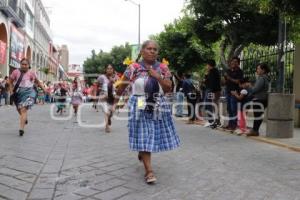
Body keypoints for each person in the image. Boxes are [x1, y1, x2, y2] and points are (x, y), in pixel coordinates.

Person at [114, 40, 180, 184]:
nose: (152, 51)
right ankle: (149, 171)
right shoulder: (134, 67)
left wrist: (157, 76)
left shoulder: (163, 68)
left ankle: (142, 152)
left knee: (151, 133)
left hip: (158, 102)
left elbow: (168, 87)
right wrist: (115, 102)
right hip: (140, 101)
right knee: (145, 132)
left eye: (155, 49)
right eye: (149, 48)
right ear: (142, 51)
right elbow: (121, 87)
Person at [7, 58, 48, 136]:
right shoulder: (16, 72)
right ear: (20, 64)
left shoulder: (32, 73)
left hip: (29, 93)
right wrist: (11, 91)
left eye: (26, 64)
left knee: (23, 109)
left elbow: (38, 82)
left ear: (29, 65)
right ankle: (24, 118)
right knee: (19, 110)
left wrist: (44, 89)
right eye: (22, 64)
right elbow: (10, 82)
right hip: (18, 93)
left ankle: (21, 129)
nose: (24, 66)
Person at [246, 63, 270, 136]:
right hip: (263, 99)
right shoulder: (266, 78)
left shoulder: (262, 78)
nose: (257, 70)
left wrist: (250, 86)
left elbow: (255, 89)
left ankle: (255, 130)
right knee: (258, 115)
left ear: (263, 70)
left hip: (259, 99)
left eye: (258, 69)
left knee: (257, 115)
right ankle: (255, 130)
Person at [223, 57, 244, 131]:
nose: (233, 63)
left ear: (238, 63)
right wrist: (224, 79)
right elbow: (225, 82)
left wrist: (229, 77)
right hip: (228, 91)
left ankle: (234, 125)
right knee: (229, 109)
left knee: (233, 109)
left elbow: (238, 81)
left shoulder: (239, 71)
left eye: (235, 62)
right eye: (232, 61)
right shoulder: (228, 70)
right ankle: (230, 124)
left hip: (234, 92)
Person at [97, 64, 118, 133]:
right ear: (105, 70)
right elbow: (98, 85)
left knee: (111, 113)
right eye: (108, 68)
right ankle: (107, 127)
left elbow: (119, 87)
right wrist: (100, 90)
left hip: (112, 98)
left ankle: (109, 118)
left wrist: (114, 82)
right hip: (104, 98)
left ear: (113, 69)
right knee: (106, 112)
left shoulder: (116, 77)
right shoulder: (102, 77)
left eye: (111, 68)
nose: (109, 70)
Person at [203, 59, 221, 128]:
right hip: (212, 90)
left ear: (209, 65)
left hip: (212, 91)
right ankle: (214, 121)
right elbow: (207, 82)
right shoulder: (212, 72)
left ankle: (212, 121)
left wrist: (212, 92)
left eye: (207, 65)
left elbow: (211, 83)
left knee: (209, 105)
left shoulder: (213, 72)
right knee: (211, 105)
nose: (206, 66)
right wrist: (206, 75)